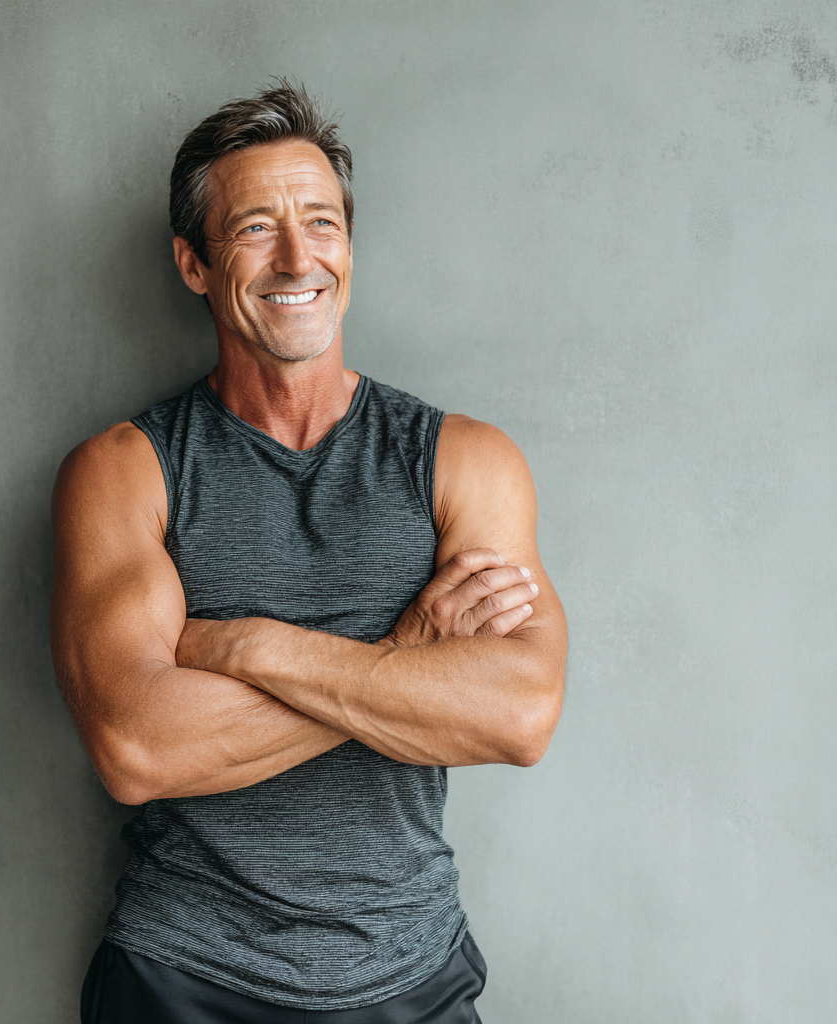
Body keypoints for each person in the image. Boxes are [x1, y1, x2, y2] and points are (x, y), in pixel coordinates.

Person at [50, 81, 567, 1024]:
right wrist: (404, 660)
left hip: (412, 976)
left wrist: (243, 645)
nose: (299, 257)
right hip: (183, 979)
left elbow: (521, 715)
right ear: (194, 264)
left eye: (322, 222)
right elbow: (136, 747)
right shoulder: (127, 473)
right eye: (254, 228)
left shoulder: (462, 459)